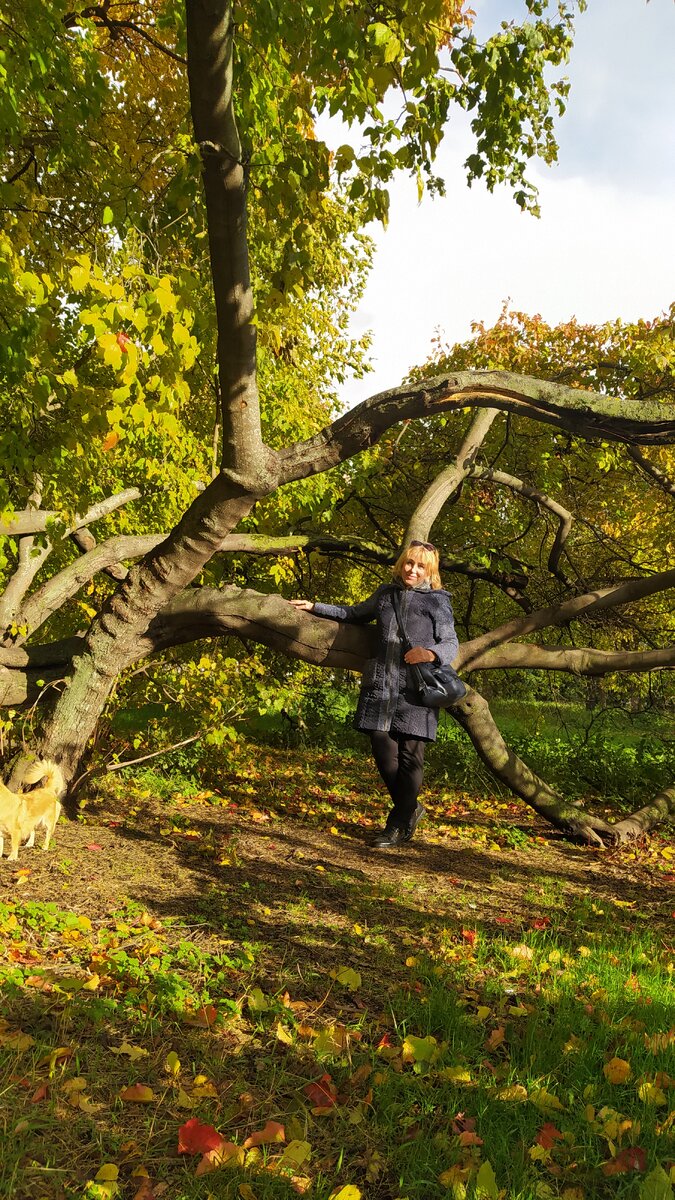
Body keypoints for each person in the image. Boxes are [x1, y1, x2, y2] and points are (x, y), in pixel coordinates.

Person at [290, 541, 459, 849]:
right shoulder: (385, 595)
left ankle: (397, 824)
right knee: (382, 747)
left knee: (410, 757)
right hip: (381, 685)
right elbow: (352, 613)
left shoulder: (438, 602)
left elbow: (450, 644)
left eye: (421, 566)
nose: (413, 570)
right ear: (401, 564)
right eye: (409, 563)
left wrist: (430, 654)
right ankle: (411, 809)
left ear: (429, 571)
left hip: (416, 690)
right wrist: (315, 607)